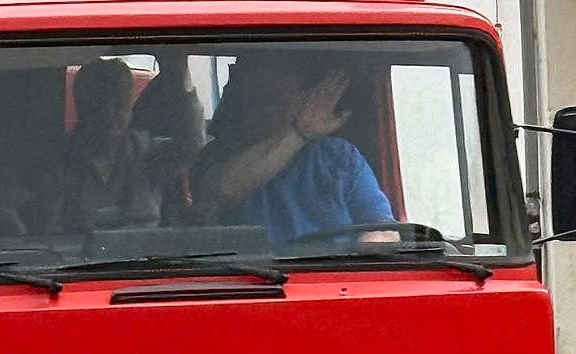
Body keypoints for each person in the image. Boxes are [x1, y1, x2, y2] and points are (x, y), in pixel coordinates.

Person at [190, 53, 395, 249]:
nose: (268, 110)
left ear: (304, 101)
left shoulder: (340, 156)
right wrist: (298, 133)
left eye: (281, 100)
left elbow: (385, 229)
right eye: (259, 100)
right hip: (253, 272)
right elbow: (221, 189)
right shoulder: (218, 156)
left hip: (337, 271)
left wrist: (364, 250)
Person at [31, 55, 204, 232]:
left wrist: (179, 71)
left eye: (120, 105)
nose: (111, 115)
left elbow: (192, 146)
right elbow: (48, 231)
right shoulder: (58, 162)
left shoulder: (146, 153)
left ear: (130, 109)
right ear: (82, 108)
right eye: (101, 106)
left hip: (145, 247)